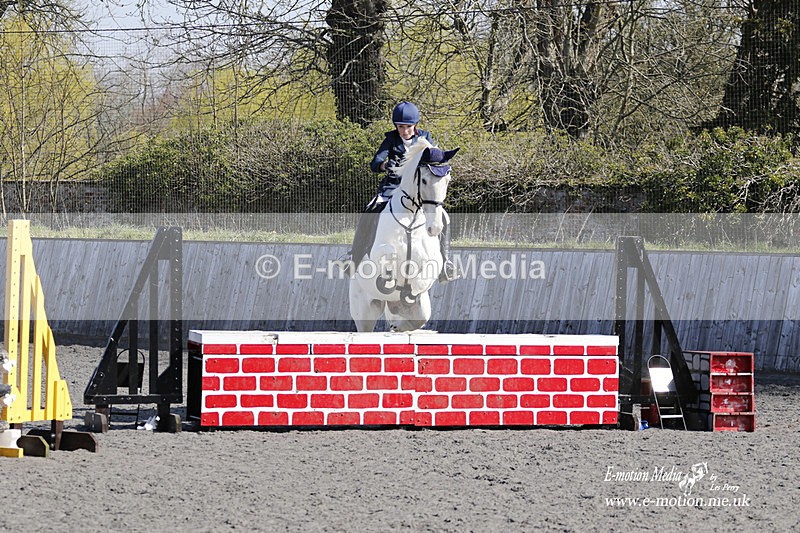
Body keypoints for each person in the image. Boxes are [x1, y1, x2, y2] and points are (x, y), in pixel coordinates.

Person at [346, 101, 458, 282]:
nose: (404, 131)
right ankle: (353, 257)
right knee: (370, 210)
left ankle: (446, 263)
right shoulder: (391, 139)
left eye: (408, 127)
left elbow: (433, 160)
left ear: (415, 125)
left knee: (443, 216)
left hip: (417, 190)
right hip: (392, 188)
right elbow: (375, 163)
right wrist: (384, 165)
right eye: (400, 127)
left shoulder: (425, 138)